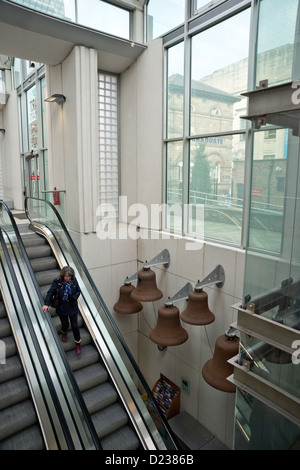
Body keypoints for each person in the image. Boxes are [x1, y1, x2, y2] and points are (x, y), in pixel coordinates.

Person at [42, 266, 82, 355]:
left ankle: (78, 343)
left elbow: (78, 291)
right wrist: (46, 304)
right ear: (62, 275)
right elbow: (50, 292)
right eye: (66, 276)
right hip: (62, 307)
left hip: (72, 306)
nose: (68, 278)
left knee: (75, 326)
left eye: (69, 276)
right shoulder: (57, 282)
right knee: (65, 324)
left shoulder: (74, 281)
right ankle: (64, 332)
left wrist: (74, 297)